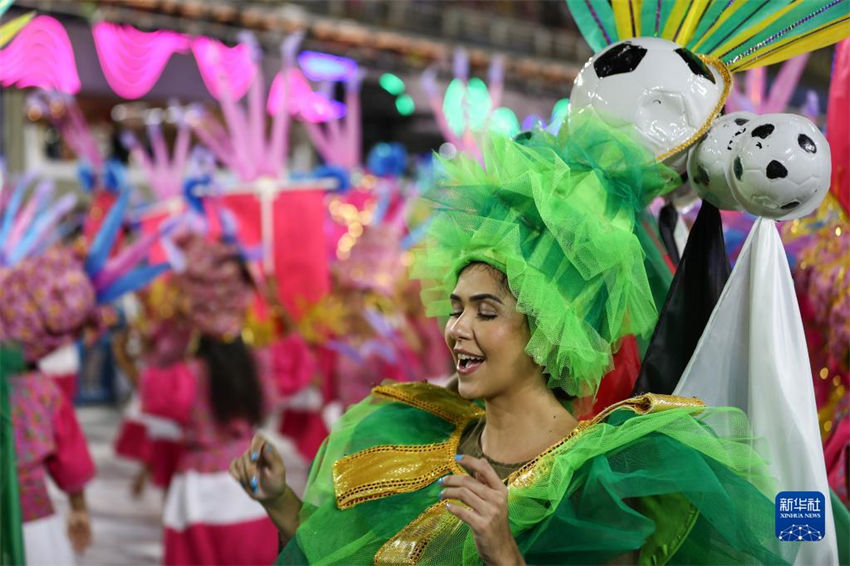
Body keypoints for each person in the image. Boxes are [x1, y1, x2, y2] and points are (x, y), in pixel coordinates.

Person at [231, 120, 794, 564]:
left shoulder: (594, 479)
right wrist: (279, 500)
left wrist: (502, 550)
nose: (458, 328)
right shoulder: (418, 436)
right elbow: (344, 554)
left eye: (486, 311)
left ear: (545, 333)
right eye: (455, 309)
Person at [141, 234, 312, 565]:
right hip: (251, 480)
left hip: (195, 492)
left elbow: (151, 381)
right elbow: (300, 358)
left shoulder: (184, 375)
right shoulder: (260, 365)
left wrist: (174, 322)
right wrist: (276, 302)